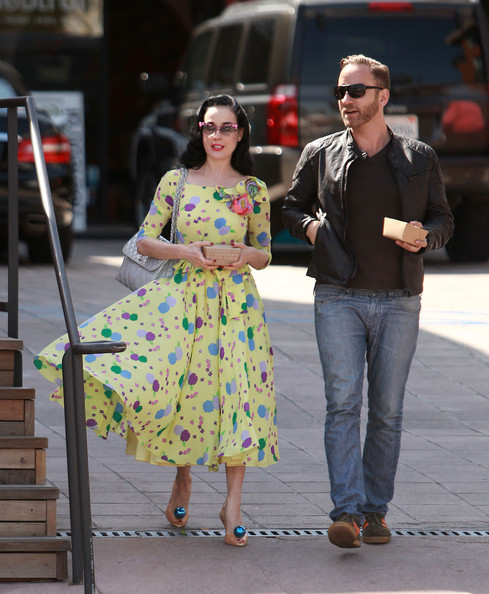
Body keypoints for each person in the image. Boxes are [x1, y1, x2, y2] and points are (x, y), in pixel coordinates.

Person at [35, 94, 279, 548]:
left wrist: (245, 254)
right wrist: (186, 251)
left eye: (226, 127)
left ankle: (233, 505)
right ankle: (182, 478)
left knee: (238, 396)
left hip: (237, 307)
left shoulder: (254, 190)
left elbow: (265, 253)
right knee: (187, 393)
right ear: (198, 131)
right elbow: (145, 241)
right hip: (183, 302)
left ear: (241, 133)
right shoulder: (176, 181)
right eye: (209, 127)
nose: (217, 135)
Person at [282, 55, 453, 549]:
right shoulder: (321, 152)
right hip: (338, 296)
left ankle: (375, 511)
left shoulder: (419, 157)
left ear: (382, 96)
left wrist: (426, 237)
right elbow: (290, 207)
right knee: (342, 405)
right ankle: (347, 513)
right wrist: (312, 229)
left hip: (399, 299)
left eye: (356, 91)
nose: (346, 100)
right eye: (340, 91)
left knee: (387, 411)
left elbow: (444, 219)